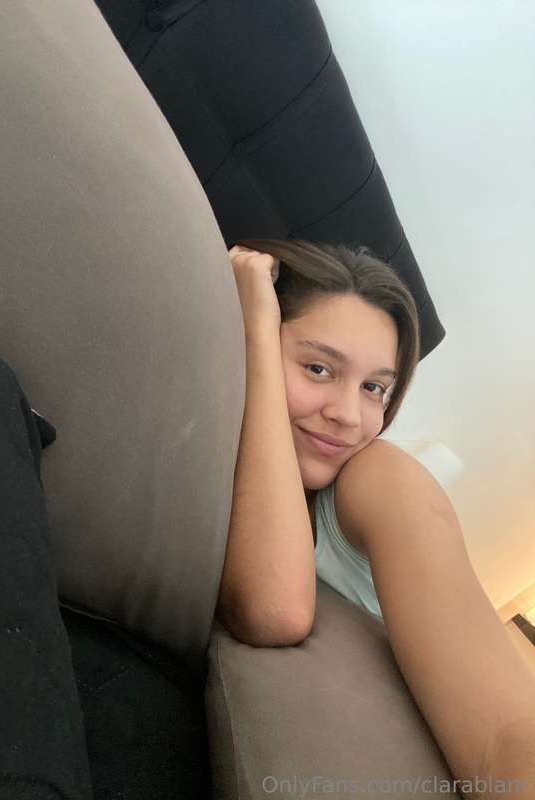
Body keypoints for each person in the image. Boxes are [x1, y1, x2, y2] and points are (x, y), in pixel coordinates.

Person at [217, 240, 535, 796]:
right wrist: (255, 331)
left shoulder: (380, 478)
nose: (348, 415)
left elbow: (274, 611)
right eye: (318, 368)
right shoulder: (214, 450)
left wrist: (260, 341)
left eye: (373, 388)